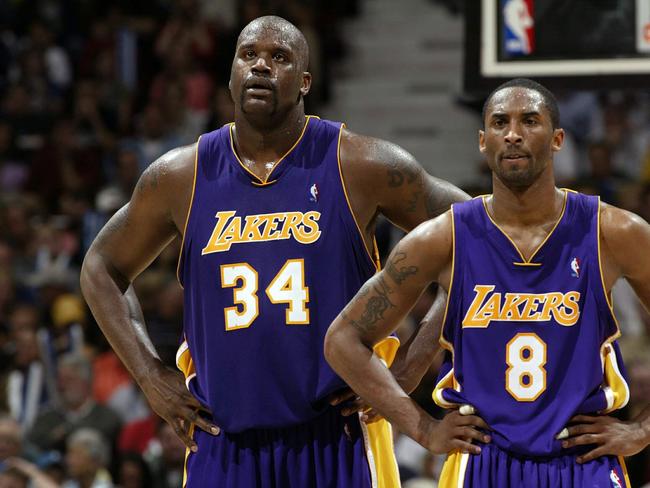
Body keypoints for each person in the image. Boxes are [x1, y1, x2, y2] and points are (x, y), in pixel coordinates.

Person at [80, 15, 470, 488]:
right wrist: (148, 374)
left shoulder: (361, 164)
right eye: (249, 55)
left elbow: (482, 236)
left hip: (337, 437)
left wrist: (412, 363)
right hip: (222, 440)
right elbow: (101, 267)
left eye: (279, 58)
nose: (261, 66)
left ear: (305, 82)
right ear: (230, 74)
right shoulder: (180, 176)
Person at [325, 78, 650, 487]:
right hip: (482, 462)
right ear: (483, 141)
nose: (513, 134)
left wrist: (640, 432)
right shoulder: (442, 238)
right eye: (500, 123)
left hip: (582, 461)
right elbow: (343, 340)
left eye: (529, 121)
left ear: (557, 139)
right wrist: (422, 427)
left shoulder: (613, 231)